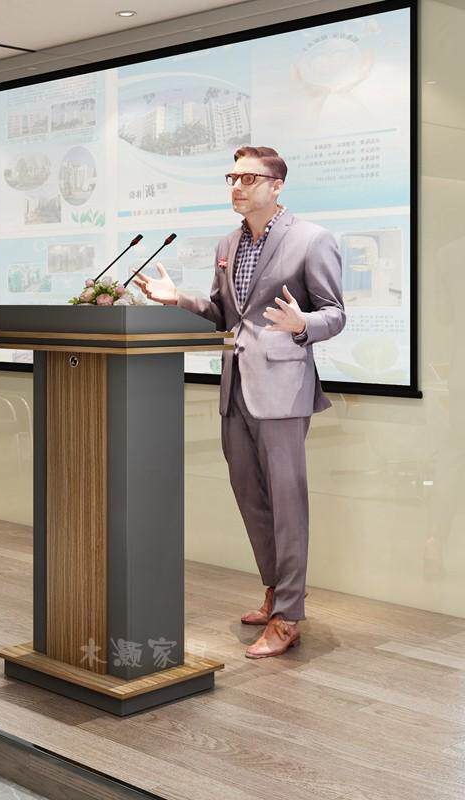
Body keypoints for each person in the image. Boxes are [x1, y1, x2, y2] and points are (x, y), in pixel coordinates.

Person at [133, 145, 345, 659]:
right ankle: (274, 591)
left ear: (277, 185)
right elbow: (225, 313)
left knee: (288, 505)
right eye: (232, 177)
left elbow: (335, 313)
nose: (237, 186)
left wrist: (303, 324)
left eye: (249, 178)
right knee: (250, 497)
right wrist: (179, 299)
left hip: (283, 390)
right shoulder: (228, 244)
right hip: (235, 387)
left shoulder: (312, 239)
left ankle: (288, 615)